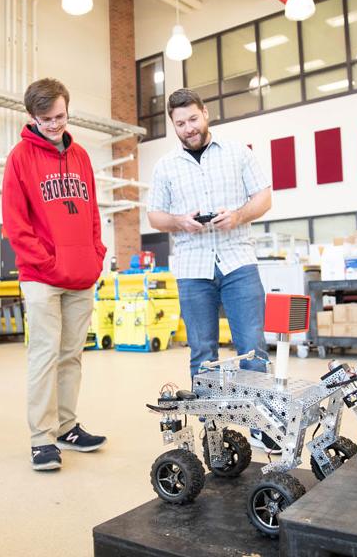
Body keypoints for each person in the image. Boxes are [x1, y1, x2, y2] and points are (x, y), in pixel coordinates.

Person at [147, 88, 275, 450]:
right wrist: (178, 221)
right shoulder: (165, 166)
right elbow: (154, 215)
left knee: (252, 346)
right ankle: (214, 428)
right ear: (173, 125)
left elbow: (264, 197)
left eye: (193, 119)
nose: (188, 128)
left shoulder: (238, 153)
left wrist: (238, 216)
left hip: (238, 262)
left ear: (205, 113)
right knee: (202, 351)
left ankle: (259, 424)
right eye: (180, 123)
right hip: (192, 267)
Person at [2, 77, 108, 471]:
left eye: (60, 116)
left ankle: (67, 426)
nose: (55, 124)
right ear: (32, 117)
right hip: (42, 276)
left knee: (72, 356)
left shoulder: (80, 156)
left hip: (82, 274)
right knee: (44, 356)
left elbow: (92, 211)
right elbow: (14, 222)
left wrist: (96, 255)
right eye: (46, 118)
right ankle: (41, 439)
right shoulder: (19, 158)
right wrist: (47, 262)